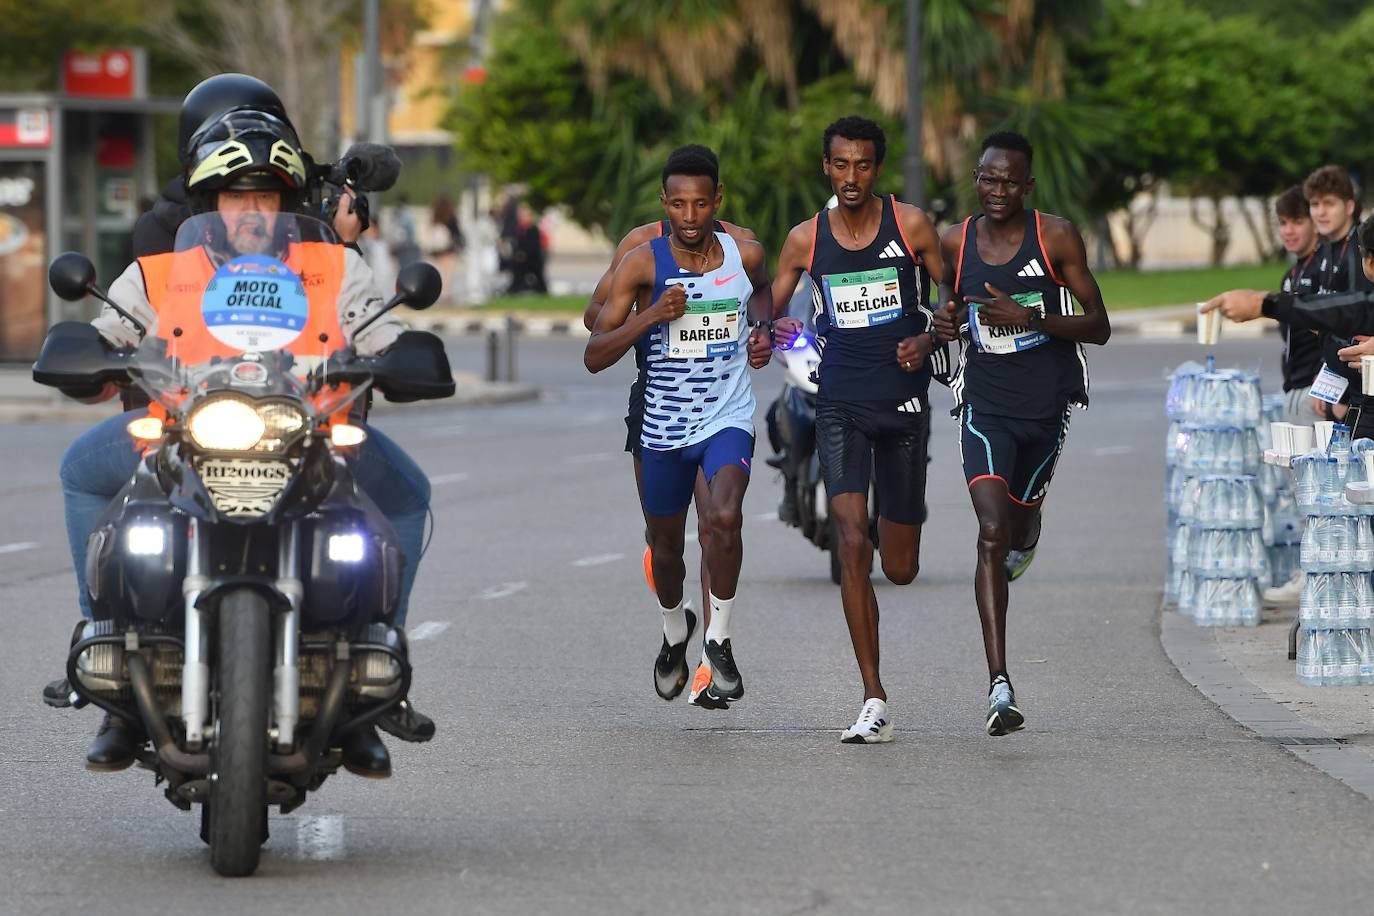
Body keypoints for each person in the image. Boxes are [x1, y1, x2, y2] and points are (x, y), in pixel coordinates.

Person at [45, 99, 433, 777]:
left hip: (308, 432)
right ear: (209, 200)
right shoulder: (160, 270)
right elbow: (111, 336)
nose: (250, 209)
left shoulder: (336, 265)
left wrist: (391, 360)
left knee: (407, 495)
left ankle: (373, 676)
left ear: (287, 197)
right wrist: (91, 363)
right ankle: (104, 658)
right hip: (182, 433)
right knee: (83, 466)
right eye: (234, 194)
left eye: (265, 194)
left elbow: (380, 334)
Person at [768, 115, 950, 744]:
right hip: (839, 403)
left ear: (878, 168)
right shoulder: (805, 239)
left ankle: (894, 553)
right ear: (827, 167)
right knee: (851, 539)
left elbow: (954, 295)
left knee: (898, 566)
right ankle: (873, 697)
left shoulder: (912, 226)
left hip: (902, 408)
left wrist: (931, 334)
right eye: (840, 165)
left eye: (863, 166)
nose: (851, 177)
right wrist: (777, 334)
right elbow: (771, 308)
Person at [931, 130, 1110, 737]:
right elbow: (948, 313)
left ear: (1027, 186)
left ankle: (1027, 532)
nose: (997, 190)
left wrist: (1032, 316)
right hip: (984, 402)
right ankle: (999, 685)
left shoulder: (1053, 237)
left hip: (1047, 403)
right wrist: (946, 323)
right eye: (988, 178)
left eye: (1010, 181)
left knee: (1019, 522)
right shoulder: (956, 242)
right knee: (988, 529)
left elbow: (1100, 325)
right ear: (976, 179)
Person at [584, 147, 774, 710]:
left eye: (701, 204)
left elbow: (761, 289)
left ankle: (718, 640)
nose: (690, 216)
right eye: (678, 205)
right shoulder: (641, 259)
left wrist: (761, 329)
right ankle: (674, 634)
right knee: (666, 549)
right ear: (665, 205)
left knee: (723, 516)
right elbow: (594, 350)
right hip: (661, 423)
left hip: (726, 414)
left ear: (717, 200)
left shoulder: (746, 251)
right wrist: (649, 316)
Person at [1258, 185, 1323, 609]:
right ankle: (1311, 565)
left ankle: (1316, 569)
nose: (1290, 231)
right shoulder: (1293, 273)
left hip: (1315, 390)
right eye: (1283, 223)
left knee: (1314, 487)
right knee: (1296, 483)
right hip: (1293, 387)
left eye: (1297, 221)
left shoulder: (1326, 271)